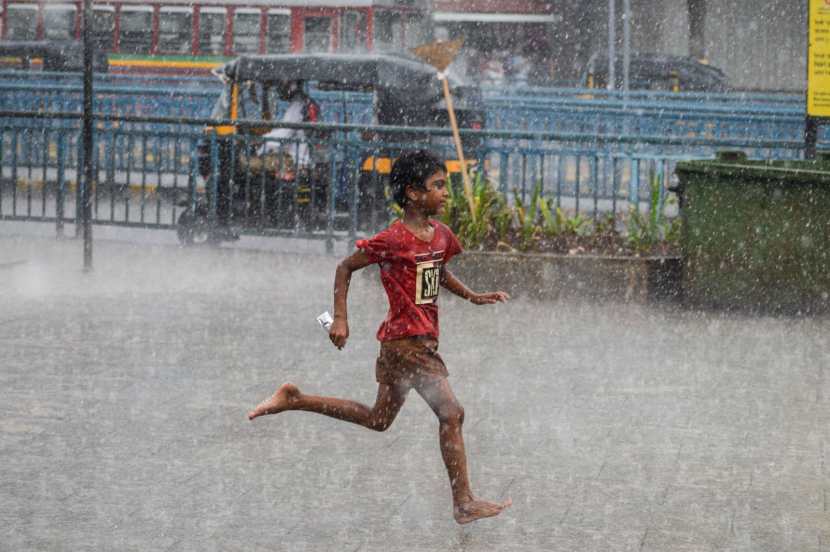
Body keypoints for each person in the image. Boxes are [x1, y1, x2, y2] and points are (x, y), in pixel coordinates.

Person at [248, 150, 512, 525]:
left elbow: (436, 270)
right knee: (452, 413)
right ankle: (463, 501)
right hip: (408, 344)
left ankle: (296, 398)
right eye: (438, 186)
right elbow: (344, 268)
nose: (446, 193)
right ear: (413, 193)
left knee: (378, 419)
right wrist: (340, 319)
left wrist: (473, 296)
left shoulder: (440, 236)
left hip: (405, 345)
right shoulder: (393, 239)